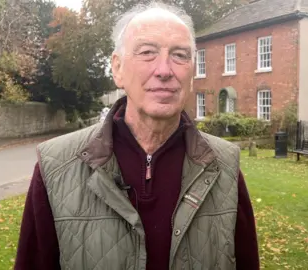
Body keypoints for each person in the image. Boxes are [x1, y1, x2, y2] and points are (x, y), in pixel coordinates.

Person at [14, 2, 259, 270]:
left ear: (191, 74)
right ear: (117, 69)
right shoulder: (56, 166)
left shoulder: (224, 166)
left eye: (179, 55)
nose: (165, 69)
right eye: (147, 52)